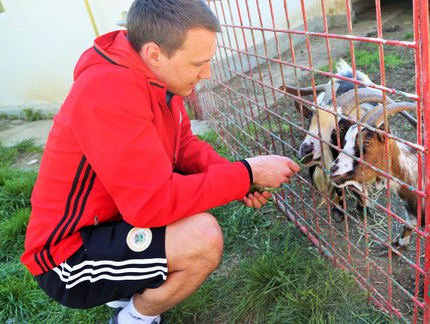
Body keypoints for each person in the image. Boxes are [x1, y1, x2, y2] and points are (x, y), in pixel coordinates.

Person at [20, 0, 300, 323]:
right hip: (66, 257)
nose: (207, 73)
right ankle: (133, 318)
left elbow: (183, 146)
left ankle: (124, 285)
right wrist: (246, 172)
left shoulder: (158, 79)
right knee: (203, 239)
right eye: (199, 63)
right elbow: (153, 204)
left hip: (109, 221)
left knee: (191, 219)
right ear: (155, 53)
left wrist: (241, 178)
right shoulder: (107, 92)